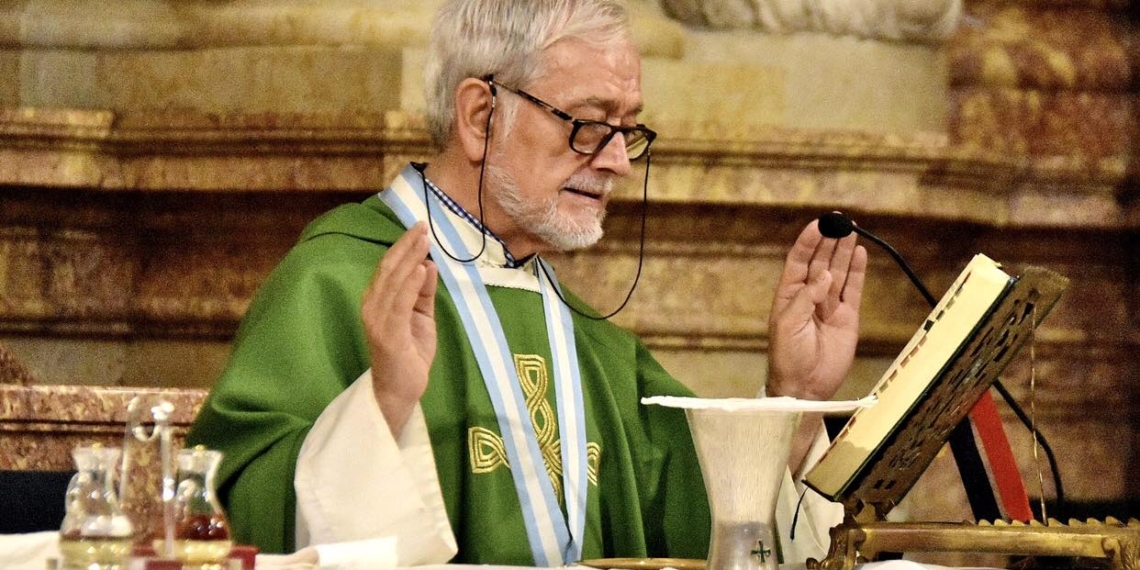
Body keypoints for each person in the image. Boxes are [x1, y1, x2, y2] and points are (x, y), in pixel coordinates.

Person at [187, 0, 867, 566]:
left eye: (627, 131)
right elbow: (226, 520)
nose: (617, 163)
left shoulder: (592, 346)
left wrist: (797, 402)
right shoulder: (337, 280)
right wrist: (383, 403)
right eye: (588, 125)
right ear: (481, 117)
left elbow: (710, 524)